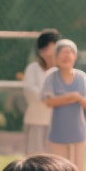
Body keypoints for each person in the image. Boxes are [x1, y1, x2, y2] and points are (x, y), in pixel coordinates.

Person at [42, 38, 86, 171]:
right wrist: (72, 97)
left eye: (69, 52)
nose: (66, 56)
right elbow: (48, 102)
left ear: (75, 57)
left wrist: (77, 98)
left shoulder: (82, 77)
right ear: (56, 57)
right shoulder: (51, 77)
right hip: (57, 134)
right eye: (62, 52)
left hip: (78, 133)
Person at [23, 28, 61, 156]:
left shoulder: (62, 71)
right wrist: (51, 98)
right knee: (35, 158)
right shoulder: (33, 68)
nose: (47, 52)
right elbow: (31, 93)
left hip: (59, 123)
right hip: (37, 121)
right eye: (43, 49)